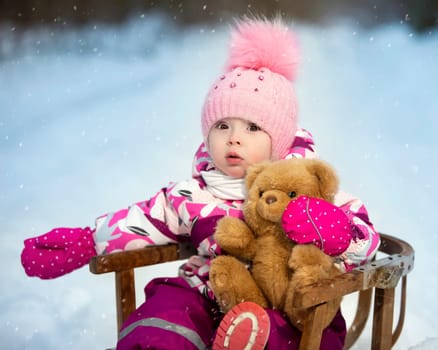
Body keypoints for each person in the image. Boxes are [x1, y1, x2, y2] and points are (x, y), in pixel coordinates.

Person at [20, 17, 380, 350]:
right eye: (222, 126)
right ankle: (157, 339)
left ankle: (253, 336)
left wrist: (335, 231)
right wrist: (86, 241)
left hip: (287, 304)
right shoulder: (191, 194)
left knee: (288, 325)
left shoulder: (307, 188)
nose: (234, 139)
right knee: (171, 305)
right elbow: (142, 220)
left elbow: (367, 242)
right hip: (212, 293)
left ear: (281, 138)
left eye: (253, 128)